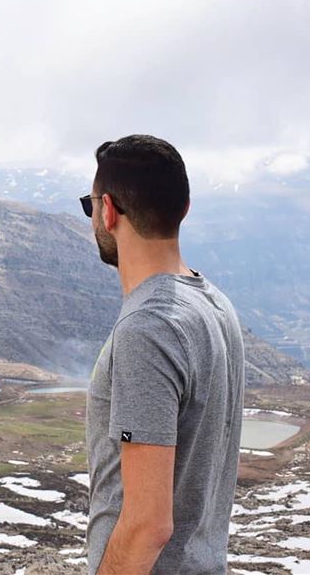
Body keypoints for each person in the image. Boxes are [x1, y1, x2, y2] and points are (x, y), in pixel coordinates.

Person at [82, 135, 244, 574]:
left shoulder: (147, 331)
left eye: (89, 205)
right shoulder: (214, 304)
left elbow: (148, 524)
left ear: (109, 210)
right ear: (184, 208)